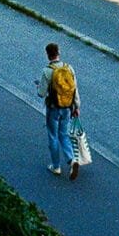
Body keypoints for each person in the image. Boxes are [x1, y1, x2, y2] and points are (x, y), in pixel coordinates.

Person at [37, 41, 81, 180]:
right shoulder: (69, 68)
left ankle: (56, 166)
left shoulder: (47, 71)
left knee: (53, 136)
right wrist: (77, 107)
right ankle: (71, 160)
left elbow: (41, 93)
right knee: (64, 135)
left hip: (53, 109)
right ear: (59, 53)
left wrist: (39, 86)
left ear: (47, 55)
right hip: (67, 108)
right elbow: (75, 90)